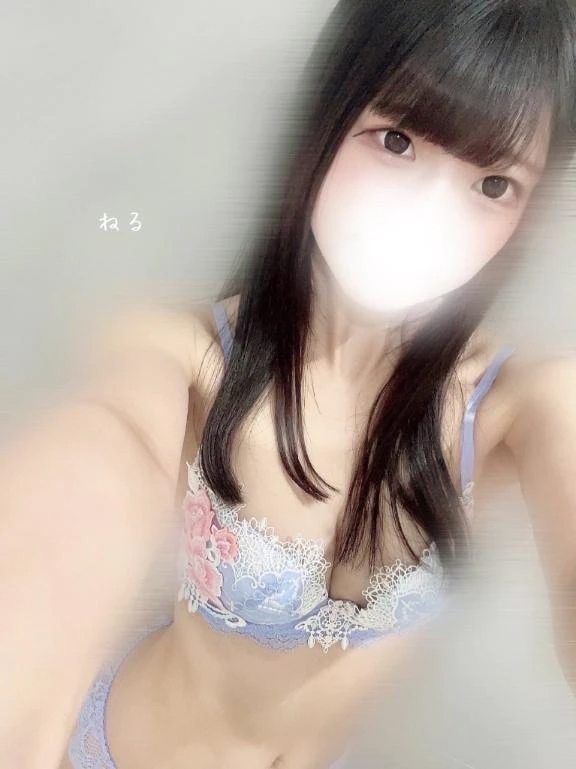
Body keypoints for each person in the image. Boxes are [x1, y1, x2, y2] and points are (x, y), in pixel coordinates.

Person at [2, 1, 576, 768]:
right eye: (397, 141)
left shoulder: (517, 403)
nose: (430, 213)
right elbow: (90, 477)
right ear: (326, 124)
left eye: (495, 184)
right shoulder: (182, 354)